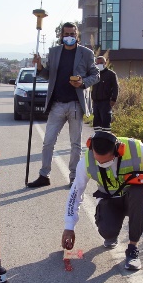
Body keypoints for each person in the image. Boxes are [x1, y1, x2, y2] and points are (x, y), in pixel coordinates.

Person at [61, 131, 143, 270]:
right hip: (109, 200)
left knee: (139, 191)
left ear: (118, 151)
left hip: (132, 199)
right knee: (107, 233)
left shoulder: (135, 148)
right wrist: (69, 227)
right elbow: (76, 193)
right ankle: (111, 231)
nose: (101, 164)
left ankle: (133, 249)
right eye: (98, 160)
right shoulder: (86, 161)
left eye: (106, 161)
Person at [27, 22, 100, 189]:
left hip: (75, 104)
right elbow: (47, 74)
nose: (69, 37)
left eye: (72, 34)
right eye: (66, 34)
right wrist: (39, 66)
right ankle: (44, 175)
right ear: (61, 36)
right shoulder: (54, 52)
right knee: (48, 142)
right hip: (57, 104)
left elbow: (95, 75)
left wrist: (82, 83)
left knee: (75, 144)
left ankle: (74, 177)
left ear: (77, 36)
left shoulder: (86, 53)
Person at [91, 55, 119, 133]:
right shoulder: (94, 74)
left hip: (106, 102)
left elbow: (116, 87)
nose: (99, 64)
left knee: (106, 122)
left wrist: (113, 99)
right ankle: (98, 139)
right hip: (96, 102)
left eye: (101, 62)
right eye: (97, 63)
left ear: (105, 63)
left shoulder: (111, 74)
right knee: (96, 122)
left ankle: (105, 140)